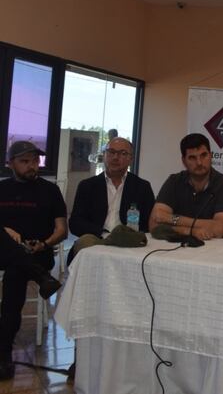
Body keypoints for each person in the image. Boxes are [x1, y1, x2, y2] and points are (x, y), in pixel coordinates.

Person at [0, 141, 67, 380]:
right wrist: (5, 231)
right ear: (10, 164)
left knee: (15, 274)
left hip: (39, 252)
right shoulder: (2, 188)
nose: (32, 166)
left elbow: (62, 230)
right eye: (25, 161)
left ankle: (3, 352)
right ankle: (43, 278)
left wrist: (45, 244)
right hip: (4, 251)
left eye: (35, 161)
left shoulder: (50, 191)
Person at [149, 133, 223, 240]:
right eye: (192, 158)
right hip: (181, 246)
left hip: (220, 248)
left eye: (203, 155)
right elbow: (154, 225)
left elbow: (217, 230)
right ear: (184, 161)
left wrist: (172, 219)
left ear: (211, 156)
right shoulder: (174, 181)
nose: (199, 162)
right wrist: (190, 231)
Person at [69, 137, 155, 237]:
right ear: (104, 155)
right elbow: (75, 223)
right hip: (96, 238)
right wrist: (103, 234)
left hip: (130, 240)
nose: (115, 157)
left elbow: (149, 223)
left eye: (123, 153)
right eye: (111, 152)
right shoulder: (87, 186)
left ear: (131, 159)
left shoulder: (142, 187)